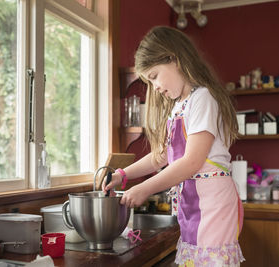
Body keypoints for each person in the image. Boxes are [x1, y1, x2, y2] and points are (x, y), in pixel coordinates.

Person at [103, 26, 245, 267]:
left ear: (174, 59)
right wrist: (122, 175)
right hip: (193, 204)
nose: (155, 87)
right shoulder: (179, 106)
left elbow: (191, 162)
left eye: (155, 76)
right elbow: (160, 157)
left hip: (213, 204)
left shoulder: (203, 98)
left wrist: (144, 189)